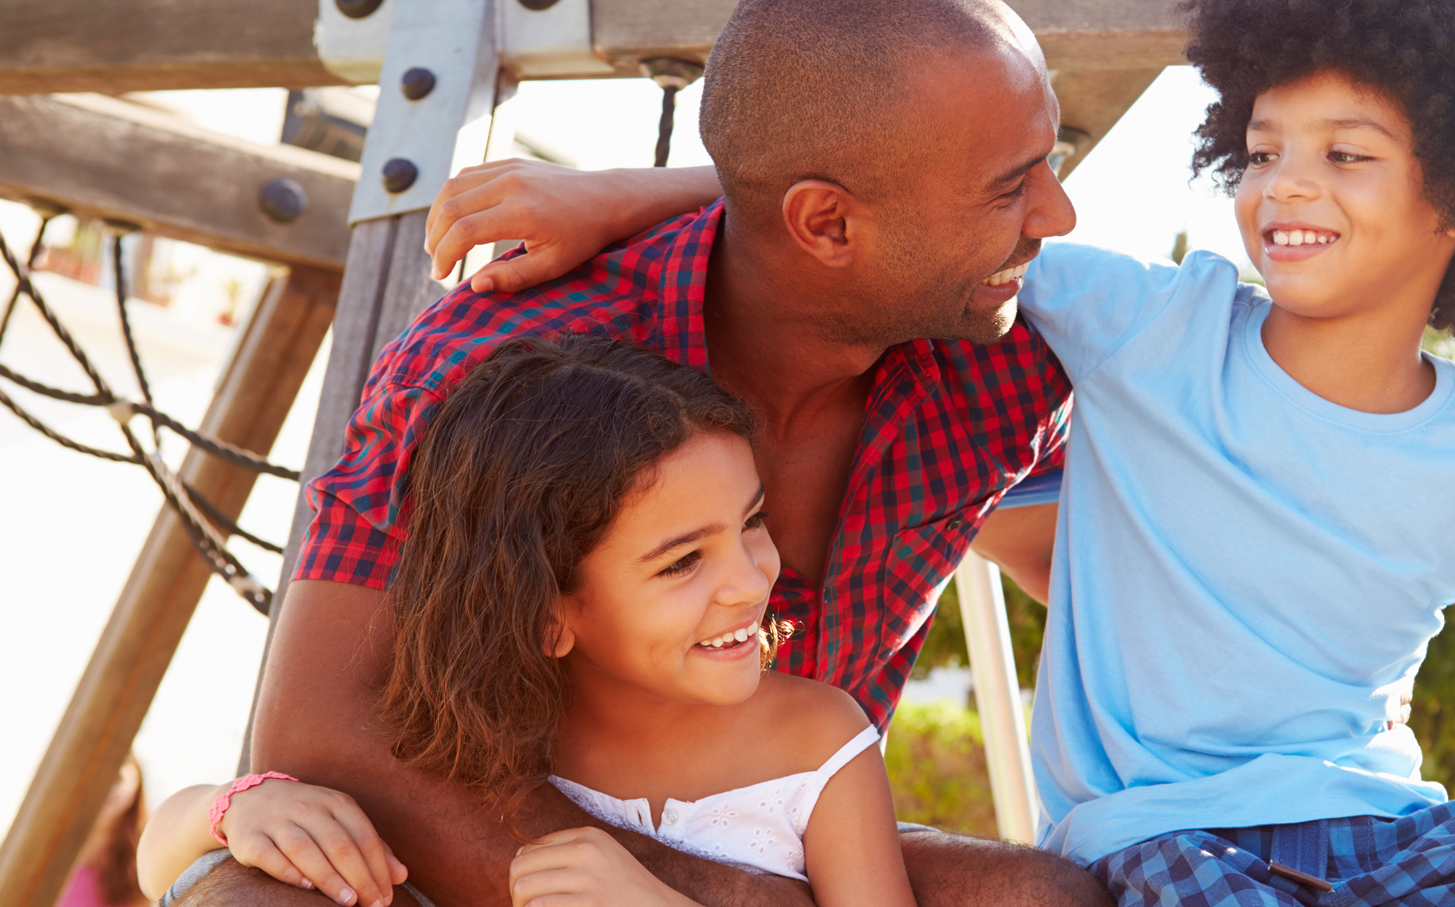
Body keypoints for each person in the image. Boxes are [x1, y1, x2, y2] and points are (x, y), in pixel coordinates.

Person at [432, 0, 1455, 905]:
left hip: (1381, 820)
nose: (1289, 185)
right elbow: (853, 202)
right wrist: (617, 192)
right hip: (1159, 838)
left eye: (1347, 155)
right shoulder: (1151, 327)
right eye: (1266, 148)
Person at [179, 0, 1105, 907]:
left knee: (1039, 899)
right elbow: (317, 731)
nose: (1059, 212)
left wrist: (640, 185)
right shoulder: (508, 357)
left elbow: (1124, 571)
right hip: (501, 829)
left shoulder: (1008, 359)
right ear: (824, 224)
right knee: (253, 898)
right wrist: (723, 902)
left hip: (786, 833)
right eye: (1010, 187)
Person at [140, 336, 914, 907]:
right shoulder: (475, 742)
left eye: (753, 521)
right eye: (683, 563)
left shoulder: (819, 744)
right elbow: (164, 866)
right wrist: (234, 809)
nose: (751, 581)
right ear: (547, 616)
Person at [57, 755, 150, 907]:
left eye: (118, 779)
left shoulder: (145, 853)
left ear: (137, 783)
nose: (108, 789)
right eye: (99, 780)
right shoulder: (51, 844)